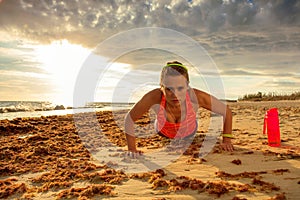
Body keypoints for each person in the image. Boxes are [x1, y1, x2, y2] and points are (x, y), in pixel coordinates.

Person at [125, 61, 234, 157]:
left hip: (190, 132)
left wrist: (226, 140)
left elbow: (227, 112)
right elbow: (129, 119)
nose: (175, 94)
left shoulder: (196, 97)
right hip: (162, 131)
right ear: (161, 87)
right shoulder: (154, 97)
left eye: (180, 88)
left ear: (187, 86)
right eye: (169, 89)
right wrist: (132, 149)